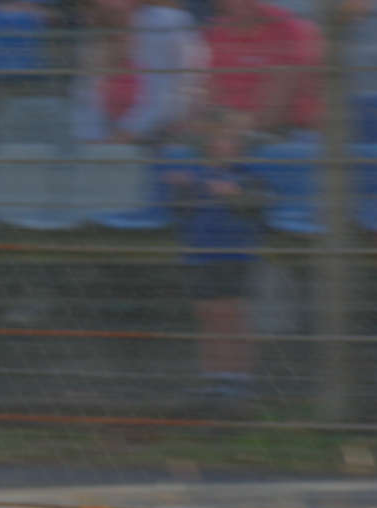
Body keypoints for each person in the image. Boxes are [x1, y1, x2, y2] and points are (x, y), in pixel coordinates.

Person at [168, 108, 268, 405]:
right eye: (219, 139)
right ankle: (212, 378)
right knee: (207, 315)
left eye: (232, 139)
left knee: (231, 316)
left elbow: (257, 207)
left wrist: (233, 194)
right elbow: (181, 212)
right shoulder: (197, 174)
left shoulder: (249, 176)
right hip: (199, 256)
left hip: (233, 257)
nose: (225, 145)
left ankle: (238, 379)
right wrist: (182, 189)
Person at [72, 0, 207, 145]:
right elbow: (85, 105)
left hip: (168, 133)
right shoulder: (95, 45)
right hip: (116, 142)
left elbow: (168, 97)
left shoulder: (167, 24)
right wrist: (96, 143)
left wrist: (124, 135)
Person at [203, 0, 324, 138]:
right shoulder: (213, 32)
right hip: (229, 132)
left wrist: (226, 125)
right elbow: (209, 96)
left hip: (291, 131)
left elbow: (274, 112)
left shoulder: (290, 29)